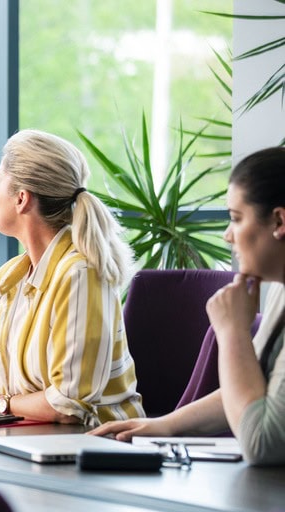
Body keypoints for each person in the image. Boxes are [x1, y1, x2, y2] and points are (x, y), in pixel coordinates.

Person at [91, 146, 285, 465]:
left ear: (278, 221)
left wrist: (233, 332)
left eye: (236, 219)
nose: (227, 236)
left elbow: (262, 444)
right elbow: (254, 392)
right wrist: (162, 425)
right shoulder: (280, 290)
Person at [0, 129, 144, 426]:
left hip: (91, 451)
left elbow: (68, 404)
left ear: (21, 199)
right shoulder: (9, 277)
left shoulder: (80, 276)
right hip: (22, 443)